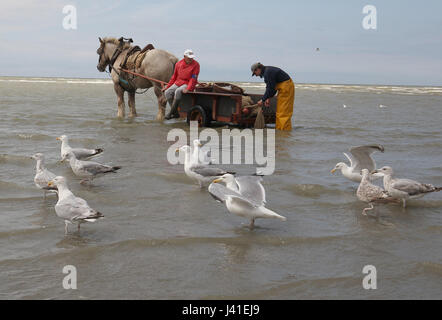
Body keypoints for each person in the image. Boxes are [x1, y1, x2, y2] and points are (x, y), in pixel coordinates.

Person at [251, 62, 295, 130]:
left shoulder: (268, 72)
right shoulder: (267, 72)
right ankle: (280, 131)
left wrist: (262, 100)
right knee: (279, 112)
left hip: (286, 88)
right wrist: (267, 98)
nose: (256, 75)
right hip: (283, 88)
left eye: (255, 73)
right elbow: (272, 87)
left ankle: (285, 132)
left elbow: (270, 89)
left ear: (258, 69)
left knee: (283, 113)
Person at [163, 49, 200, 120]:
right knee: (167, 92)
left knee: (178, 91)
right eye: (189, 57)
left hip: (188, 83)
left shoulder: (196, 65)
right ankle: (176, 113)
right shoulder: (178, 64)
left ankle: (170, 113)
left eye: (192, 57)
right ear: (184, 56)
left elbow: (193, 78)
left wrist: (188, 88)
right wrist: (167, 87)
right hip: (178, 82)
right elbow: (174, 77)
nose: (191, 59)